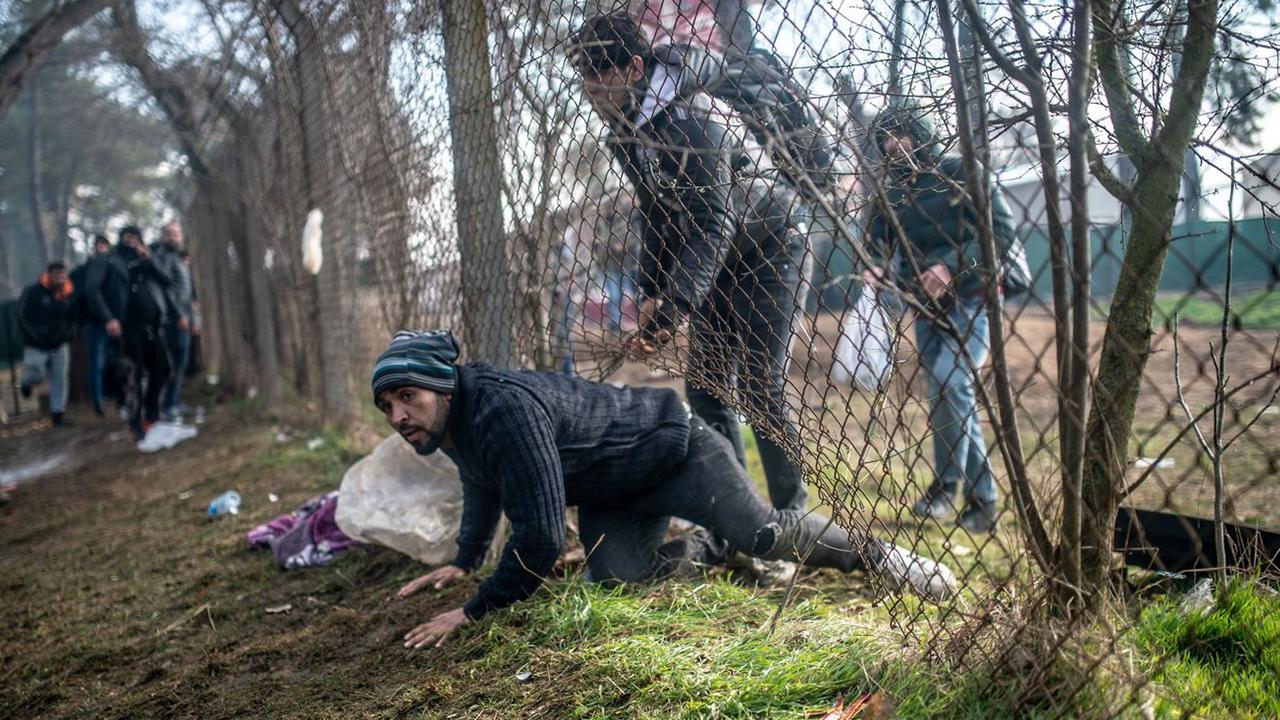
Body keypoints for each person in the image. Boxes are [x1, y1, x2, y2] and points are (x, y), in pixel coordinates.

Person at [373, 330, 956, 649]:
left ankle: (880, 557)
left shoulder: (501, 410)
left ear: (441, 386)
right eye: (389, 406)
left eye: (408, 397)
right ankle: (714, 548)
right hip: (614, 491)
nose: (400, 415)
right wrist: (466, 559)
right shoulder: (451, 420)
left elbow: (543, 537)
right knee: (620, 580)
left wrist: (475, 612)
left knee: (762, 530)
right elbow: (481, 484)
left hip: (676, 448)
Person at [568, 13, 810, 514]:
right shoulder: (626, 127)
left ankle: (794, 517)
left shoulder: (690, 117)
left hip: (770, 244)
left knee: (760, 389)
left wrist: (676, 302)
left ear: (634, 67)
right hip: (715, 257)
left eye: (598, 75)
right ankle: (743, 517)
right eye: (583, 77)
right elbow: (656, 209)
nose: (589, 89)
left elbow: (713, 219)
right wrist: (651, 286)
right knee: (706, 392)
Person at [861, 101, 1017, 533]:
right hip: (925, 309)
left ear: (921, 133)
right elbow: (875, 239)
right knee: (945, 395)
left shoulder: (961, 173)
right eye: (884, 140)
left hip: (974, 298)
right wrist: (874, 263)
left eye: (900, 134)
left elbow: (999, 235)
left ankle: (972, 494)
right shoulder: (890, 194)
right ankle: (951, 490)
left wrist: (951, 265)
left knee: (952, 383)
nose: (893, 146)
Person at [84, 225, 193, 451]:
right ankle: (136, 423)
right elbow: (92, 291)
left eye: (136, 238)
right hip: (127, 328)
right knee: (134, 377)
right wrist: (109, 318)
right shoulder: (108, 261)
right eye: (128, 238)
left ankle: (152, 414)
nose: (132, 242)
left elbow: (165, 282)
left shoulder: (145, 259)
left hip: (152, 326)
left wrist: (148, 261)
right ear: (121, 239)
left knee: (163, 369)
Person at [17, 263, 76, 426]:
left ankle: (58, 415)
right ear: (49, 275)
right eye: (56, 275)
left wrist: (69, 332)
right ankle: (26, 383)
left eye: (63, 275)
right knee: (36, 372)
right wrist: (35, 335)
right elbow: (22, 315)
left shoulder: (69, 294)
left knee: (60, 380)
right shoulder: (33, 291)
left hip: (60, 343)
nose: (60, 278)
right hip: (36, 344)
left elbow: (74, 316)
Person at [152, 222, 197, 420]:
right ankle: (167, 406)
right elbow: (167, 290)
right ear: (163, 236)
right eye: (169, 234)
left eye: (176, 234)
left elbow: (187, 292)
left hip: (184, 317)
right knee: (172, 364)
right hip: (172, 320)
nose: (173, 238)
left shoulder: (177, 258)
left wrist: (193, 317)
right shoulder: (163, 257)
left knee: (180, 363)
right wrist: (178, 315)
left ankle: (174, 402)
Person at [71, 234, 113, 416]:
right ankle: (98, 401)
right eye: (98, 245)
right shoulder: (82, 273)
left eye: (104, 245)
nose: (101, 248)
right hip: (94, 323)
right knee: (96, 362)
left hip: (115, 322)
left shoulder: (114, 268)